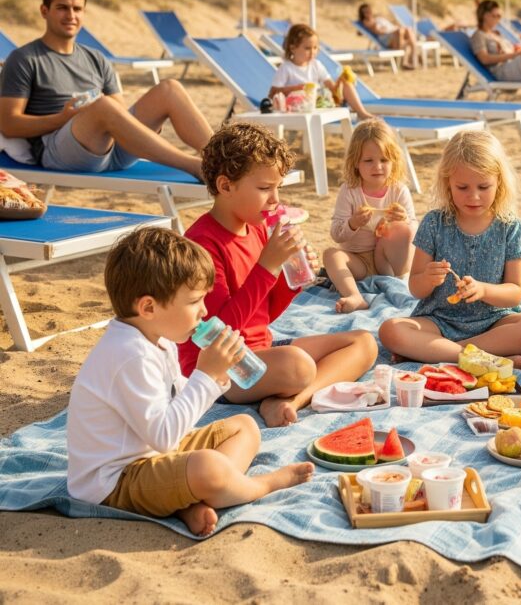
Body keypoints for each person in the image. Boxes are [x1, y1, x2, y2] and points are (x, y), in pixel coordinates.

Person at [67, 227, 313, 537]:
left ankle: (189, 498)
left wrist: (219, 375)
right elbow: (166, 438)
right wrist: (206, 376)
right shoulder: (130, 356)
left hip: (151, 456)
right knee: (207, 467)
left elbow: (175, 398)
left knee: (243, 427)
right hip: (115, 480)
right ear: (148, 307)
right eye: (195, 301)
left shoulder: (156, 337)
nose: (205, 311)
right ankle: (258, 485)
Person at [180, 122, 378, 427]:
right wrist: (268, 267)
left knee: (364, 343)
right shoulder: (202, 246)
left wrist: (294, 278)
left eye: (278, 188)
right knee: (298, 366)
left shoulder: (257, 227)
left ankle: (291, 401)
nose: (275, 200)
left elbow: (265, 313)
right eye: (264, 189)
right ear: (225, 186)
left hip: (262, 353)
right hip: (221, 368)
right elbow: (218, 333)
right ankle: (286, 392)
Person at [0, 0, 211, 178]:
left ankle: (223, 158)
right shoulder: (24, 59)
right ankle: (192, 166)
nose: (71, 16)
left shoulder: (96, 58)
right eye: (62, 8)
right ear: (44, 11)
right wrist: (62, 118)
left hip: (112, 147)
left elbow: (119, 109)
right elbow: (9, 125)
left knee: (169, 89)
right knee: (102, 105)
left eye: (77, 9)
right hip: (59, 149)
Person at [378, 130, 521, 370]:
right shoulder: (434, 222)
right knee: (391, 331)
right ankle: (485, 359)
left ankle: (447, 352)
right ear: (447, 183)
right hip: (438, 320)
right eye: (462, 187)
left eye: (483, 186)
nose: (474, 196)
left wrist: (483, 289)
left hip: (494, 323)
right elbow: (415, 287)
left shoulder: (510, 226)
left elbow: (515, 293)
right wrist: (428, 278)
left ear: (499, 181)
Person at [323, 119, 417, 314]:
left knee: (403, 229)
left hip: (388, 261)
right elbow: (337, 234)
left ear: (394, 160)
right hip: (359, 262)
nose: (377, 167)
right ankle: (354, 296)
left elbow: (416, 233)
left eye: (384, 160)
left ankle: (400, 283)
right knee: (330, 254)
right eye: (368, 161)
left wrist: (404, 220)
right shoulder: (349, 191)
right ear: (356, 163)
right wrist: (353, 223)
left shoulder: (398, 190)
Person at [269, 23, 372, 119]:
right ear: (292, 48)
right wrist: (297, 88)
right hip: (299, 107)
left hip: (321, 103)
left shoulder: (316, 65)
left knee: (346, 85)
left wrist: (341, 82)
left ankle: (362, 113)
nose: (312, 52)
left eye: (315, 48)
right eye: (307, 48)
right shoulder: (286, 68)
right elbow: (272, 94)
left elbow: (332, 87)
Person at [358, 3, 417, 70]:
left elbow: (389, 27)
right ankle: (404, 59)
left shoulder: (376, 19)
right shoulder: (367, 22)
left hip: (393, 34)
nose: (368, 13)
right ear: (362, 14)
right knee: (400, 31)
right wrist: (383, 28)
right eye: (365, 12)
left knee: (408, 30)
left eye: (369, 10)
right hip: (386, 38)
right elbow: (378, 32)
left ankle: (412, 55)